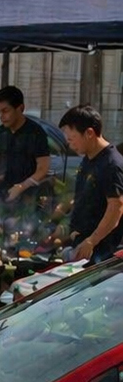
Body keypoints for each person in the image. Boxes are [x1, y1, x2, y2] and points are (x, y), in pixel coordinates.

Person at [59, 104, 123, 264]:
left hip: (101, 251)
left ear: (89, 133)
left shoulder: (111, 164)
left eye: (71, 139)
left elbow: (116, 208)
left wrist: (91, 241)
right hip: (82, 244)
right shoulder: (88, 158)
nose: (70, 144)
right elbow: (85, 197)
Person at [0, 85, 51, 204]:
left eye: (5, 111)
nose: (1, 117)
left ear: (20, 108)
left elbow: (43, 168)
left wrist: (22, 186)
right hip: (1, 196)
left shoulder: (35, 133)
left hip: (29, 198)